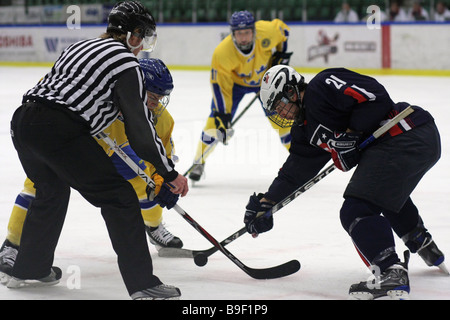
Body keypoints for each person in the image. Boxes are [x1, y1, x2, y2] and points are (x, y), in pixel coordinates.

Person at [6, 1, 188, 300]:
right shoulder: (127, 64)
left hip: (24, 121)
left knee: (51, 191)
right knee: (120, 198)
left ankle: (29, 268)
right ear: (133, 34)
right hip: (59, 130)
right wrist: (168, 173)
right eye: (143, 38)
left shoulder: (78, 47)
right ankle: (142, 284)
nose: (142, 47)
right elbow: (139, 130)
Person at [243, 65, 446, 300]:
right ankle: (421, 241)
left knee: (355, 209)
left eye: (281, 105)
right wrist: (267, 203)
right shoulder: (305, 130)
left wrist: (351, 133)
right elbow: (296, 169)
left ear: (291, 90)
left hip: (405, 130)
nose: (282, 113)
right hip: (408, 139)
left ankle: (390, 273)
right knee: (377, 195)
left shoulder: (322, 85)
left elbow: (374, 96)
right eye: (276, 110)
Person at [188, 10, 293, 182]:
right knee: (216, 121)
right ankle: (198, 162)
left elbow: (284, 31)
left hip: (265, 81)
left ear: (254, 31)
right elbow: (220, 86)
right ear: (232, 33)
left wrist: (281, 55)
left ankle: (299, 157)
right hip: (235, 85)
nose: (243, 38)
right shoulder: (223, 52)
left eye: (246, 33)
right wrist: (223, 114)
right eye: (239, 33)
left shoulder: (267, 31)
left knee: (283, 118)